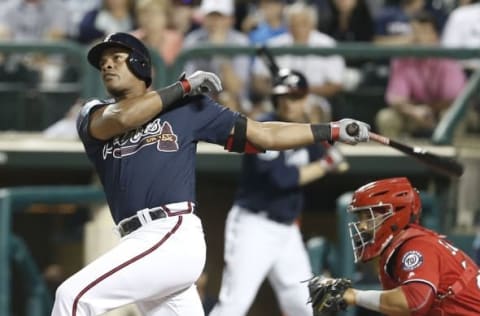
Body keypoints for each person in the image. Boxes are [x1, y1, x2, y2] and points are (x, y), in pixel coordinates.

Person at [50, 32, 370, 315]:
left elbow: (264, 135)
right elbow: (124, 119)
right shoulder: (94, 113)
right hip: (137, 239)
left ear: (141, 65)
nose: (107, 65)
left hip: (170, 232)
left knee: (73, 298)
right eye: (103, 61)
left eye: (117, 58)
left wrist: (330, 129)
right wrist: (184, 86)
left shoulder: (185, 109)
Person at [208, 69, 348, 316]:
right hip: (254, 226)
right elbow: (282, 179)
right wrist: (327, 164)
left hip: (287, 232)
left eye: (295, 97)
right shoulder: (262, 128)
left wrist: (329, 153)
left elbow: (343, 165)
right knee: (235, 304)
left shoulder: (306, 132)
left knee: (304, 308)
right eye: (283, 96)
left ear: (305, 99)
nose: (288, 102)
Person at [309, 177, 480, 315]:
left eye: (368, 217)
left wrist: (354, 295)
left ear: (395, 215)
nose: (361, 226)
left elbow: (414, 302)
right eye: (359, 218)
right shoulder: (402, 248)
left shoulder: (417, 246)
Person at [375, 11, 467, 138]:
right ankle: (397, 155)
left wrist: (429, 109)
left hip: (441, 111)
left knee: (452, 116)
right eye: (414, 32)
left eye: (424, 32)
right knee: (386, 117)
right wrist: (413, 111)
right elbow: (395, 98)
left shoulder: (447, 58)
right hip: (414, 112)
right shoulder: (402, 59)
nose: (418, 38)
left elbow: (454, 100)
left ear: (435, 36)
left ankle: (449, 157)